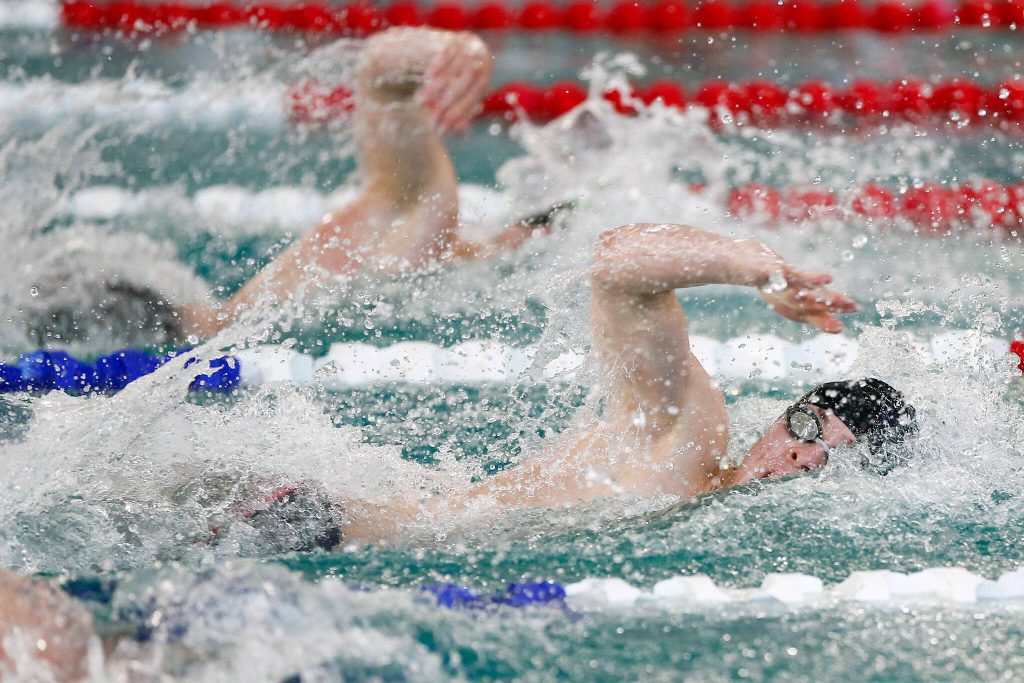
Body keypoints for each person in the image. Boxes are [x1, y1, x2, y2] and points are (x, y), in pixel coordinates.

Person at [335, 223, 917, 543]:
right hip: (316, 525)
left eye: (826, 460)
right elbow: (617, 265)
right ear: (782, 413)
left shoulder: (717, 534)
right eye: (807, 427)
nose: (797, 454)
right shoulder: (682, 436)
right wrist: (753, 266)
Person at [180, 27, 564, 337]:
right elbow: (379, 64)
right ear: (524, 237)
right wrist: (458, 49)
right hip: (198, 332)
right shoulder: (421, 218)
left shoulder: (455, 253)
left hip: (192, 326)